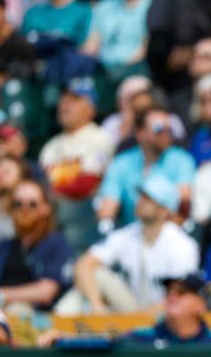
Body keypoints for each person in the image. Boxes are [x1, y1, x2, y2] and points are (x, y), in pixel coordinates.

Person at [55, 177, 199, 315]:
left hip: (166, 317)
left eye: (149, 199)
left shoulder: (183, 245)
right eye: (141, 196)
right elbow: (84, 264)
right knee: (94, 278)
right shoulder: (128, 233)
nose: (140, 202)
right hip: (130, 312)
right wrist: (96, 305)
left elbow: (181, 296)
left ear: (164, 210)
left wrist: (139, 321)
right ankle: (50, 331)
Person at [0, 180, 72, 313]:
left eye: (32, 204)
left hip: (38, 318)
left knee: (17, 309)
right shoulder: (2, 247)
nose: (24, 209)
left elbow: (46, 292)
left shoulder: (57, 244)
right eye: (17, 204)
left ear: (45, 208)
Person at [40, 78, 115, 254]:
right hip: (54, 213)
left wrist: (51, 190)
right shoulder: (51, 145)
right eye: (64, 98)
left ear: (91, 109)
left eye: (75, 99)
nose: (65, 104)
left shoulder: (100, 137)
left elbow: (87, 184)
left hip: (84, 215)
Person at [97, 106, 196, 230]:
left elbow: (182, 207)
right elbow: (107, 208)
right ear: (140, 132)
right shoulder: (121, 162)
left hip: (169, 232)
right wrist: (106, 220)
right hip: (132, 236)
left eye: (169, 129)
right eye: (158, 129)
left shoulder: (182, 160)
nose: (165, 134)